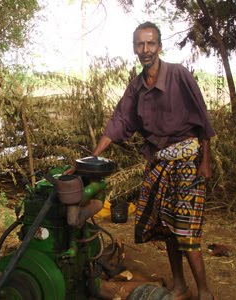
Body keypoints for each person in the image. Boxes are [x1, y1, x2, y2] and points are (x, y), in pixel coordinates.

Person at [90, 22, 215, 300]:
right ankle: (179, 286)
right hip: (158, 164)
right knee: (167, 229)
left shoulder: (179, 75)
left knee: (186, 232)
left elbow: (203, 119)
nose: (145, 50)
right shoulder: (136, 87)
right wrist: (93, 156)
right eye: (140, 44)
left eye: (150, 44)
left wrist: (205, 161)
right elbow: (119, 120)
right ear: (135, 48)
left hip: (187, 162)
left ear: (159, 46)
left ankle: (205, 292)